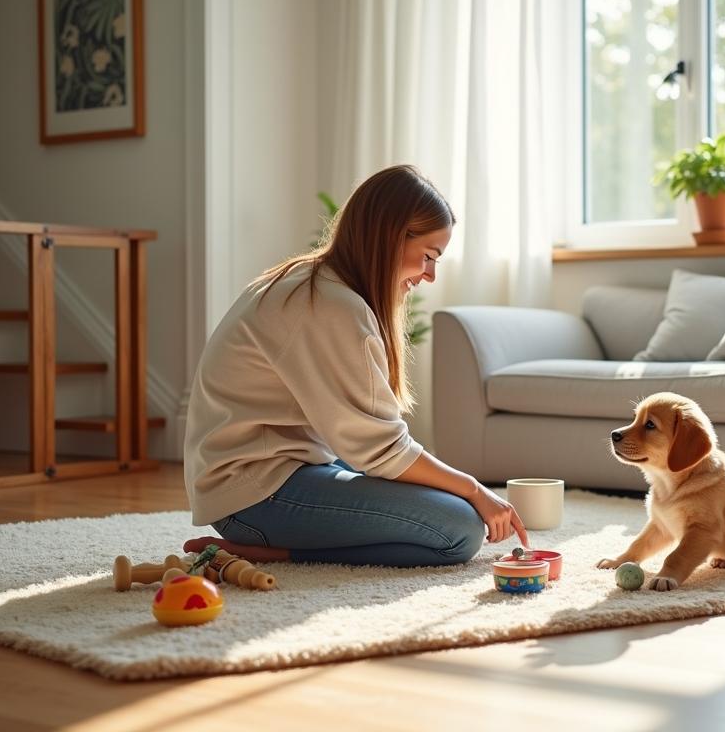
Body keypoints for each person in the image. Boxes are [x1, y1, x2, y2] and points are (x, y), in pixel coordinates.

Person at [182, 164, 527, 566]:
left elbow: (371, 443)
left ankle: (276, 544)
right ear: (392, 238)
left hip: (269, 473)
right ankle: (275, 551)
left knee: (439, 490)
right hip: (254, 496)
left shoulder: (312, 280)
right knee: (459, 529)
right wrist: (474, 489)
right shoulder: (330, 305)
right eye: (429, 257)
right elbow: (381, 452)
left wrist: (460, 488)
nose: (430, 275)